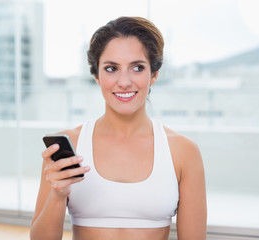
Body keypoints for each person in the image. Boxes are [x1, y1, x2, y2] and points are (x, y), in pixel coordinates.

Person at [30, 16, 207, 240]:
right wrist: (58, 194)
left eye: (137, 67)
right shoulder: (69, 144)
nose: (124, 82)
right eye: (112, 68)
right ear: (96, 76)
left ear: (153, 75)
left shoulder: (183, 151)